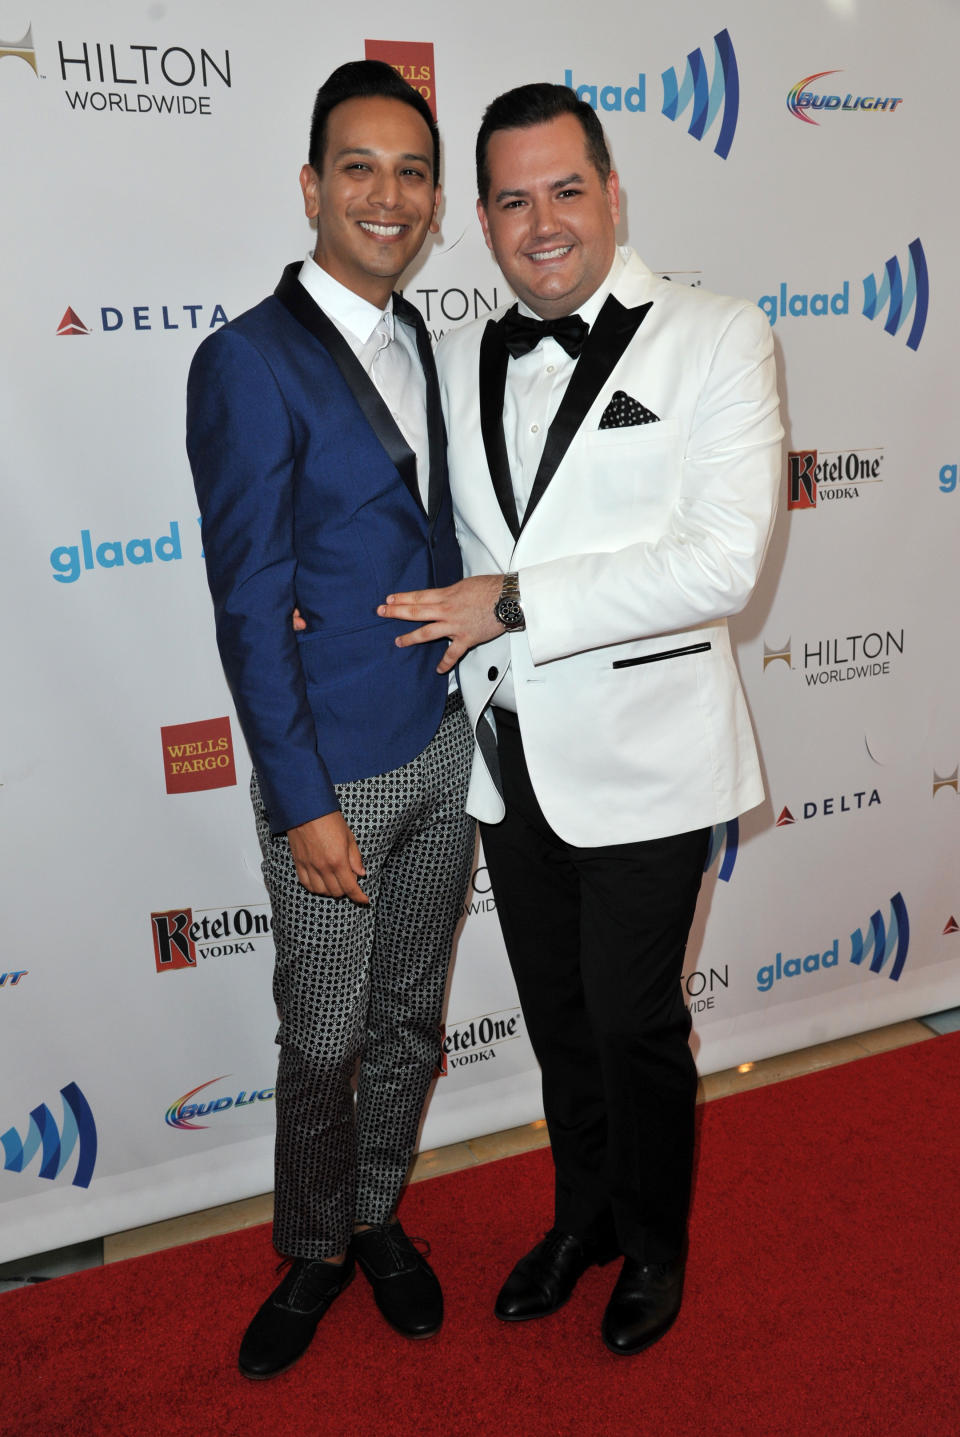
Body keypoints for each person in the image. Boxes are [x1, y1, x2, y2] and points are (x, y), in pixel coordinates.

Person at [379, 82, 782, 1356]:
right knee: (560, 1023)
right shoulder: (454, 356)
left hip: (653, 758)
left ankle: (655, 1245)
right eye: (511, 199)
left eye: (566, 190)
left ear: (613, 194)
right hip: (512, 760)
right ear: (482, 222)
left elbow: (723, 564)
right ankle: (585, 1218)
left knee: (632, 1018)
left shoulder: (719, 336)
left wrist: (516, 602)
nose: (541, 221)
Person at [186, 60, 475, 1380]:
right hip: (333, 779)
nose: (389, 193)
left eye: (412, 172)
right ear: (313, 187)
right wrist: (298, 799)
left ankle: (376, 1214)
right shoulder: (247, 360)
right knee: (322, 1035)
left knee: (411, 1017)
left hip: (439, 741)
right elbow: (250, 605)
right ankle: (312, 1247)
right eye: (360, 167)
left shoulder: (426, 338)